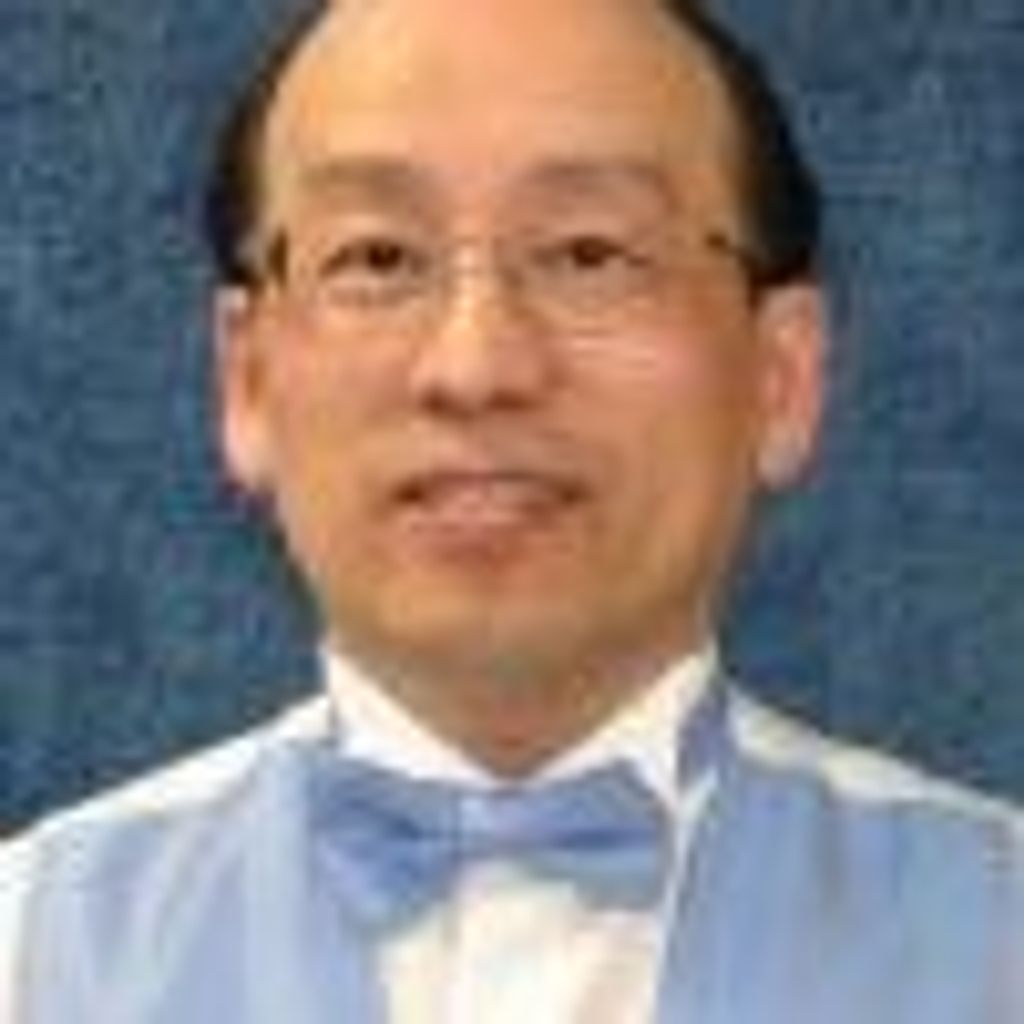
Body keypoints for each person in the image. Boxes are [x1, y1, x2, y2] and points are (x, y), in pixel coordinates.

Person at [2, 0, 1022, 1020]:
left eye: (588, 253)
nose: (476, 367)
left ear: (779, 376)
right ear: (250, 382)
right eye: (378, 259)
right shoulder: (28, 942)